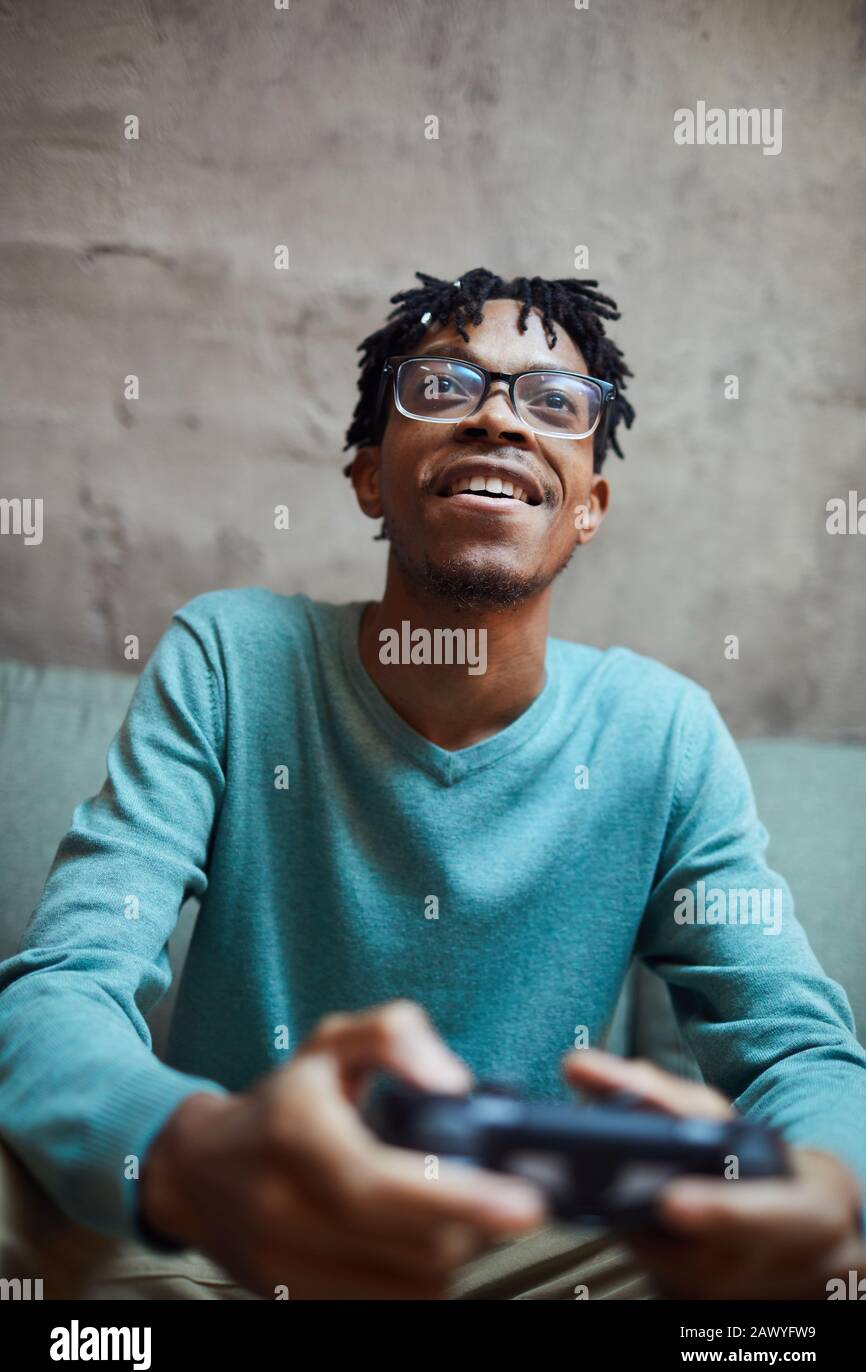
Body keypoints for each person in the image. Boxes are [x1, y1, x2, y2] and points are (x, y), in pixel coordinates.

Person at [1, 269, 864, 1301]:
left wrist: (822, 1193)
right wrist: (194, 1155)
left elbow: (798, 1051)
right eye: (444, 388)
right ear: (369, 475)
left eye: (550, 401)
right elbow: (63, 986)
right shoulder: (231, 659)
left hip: (536, 1259)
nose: (498, 415)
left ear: (587, 504)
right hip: (237, 1237)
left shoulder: (661, 730)